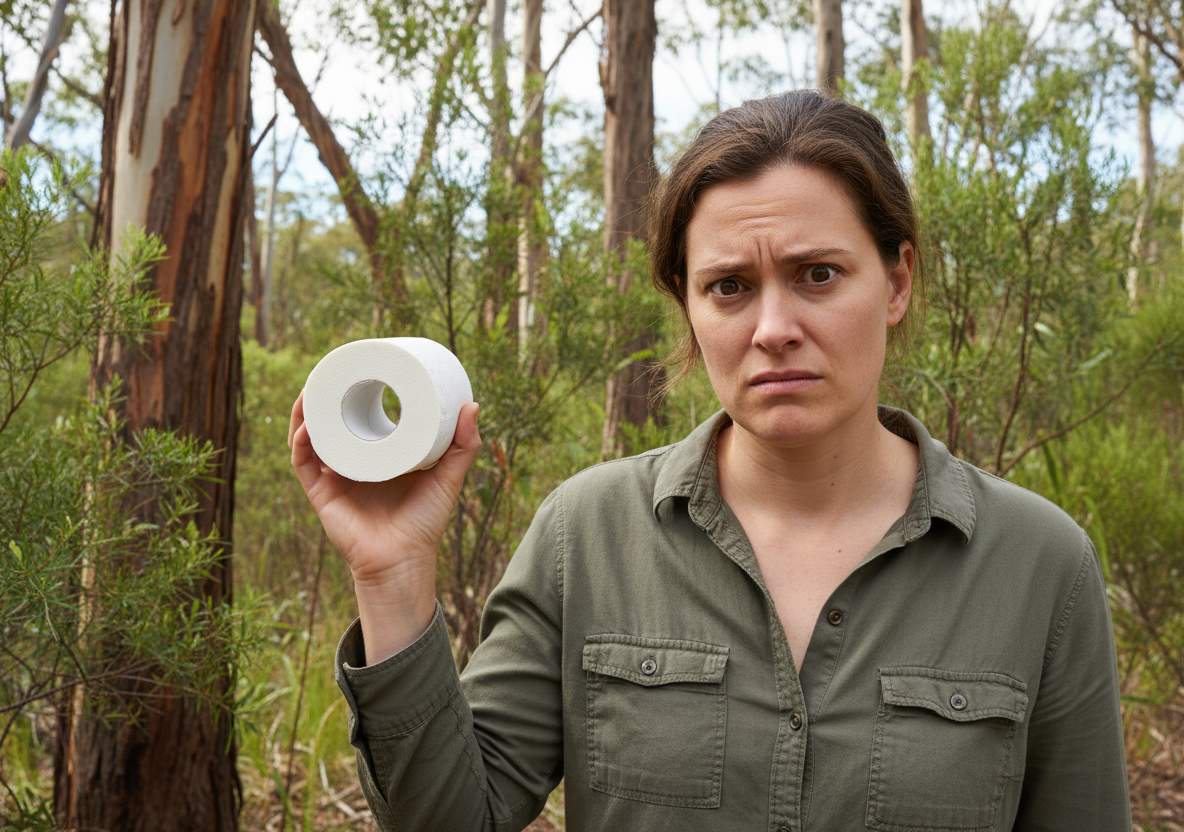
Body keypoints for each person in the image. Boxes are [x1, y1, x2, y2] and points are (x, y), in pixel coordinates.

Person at [288, 90, 1131, 832]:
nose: (772, 328)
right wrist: (393, 576)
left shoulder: (1039, 564)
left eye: (819, 274)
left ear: (897, 280)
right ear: (687, 305)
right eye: (729, 286)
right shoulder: (585, 536)